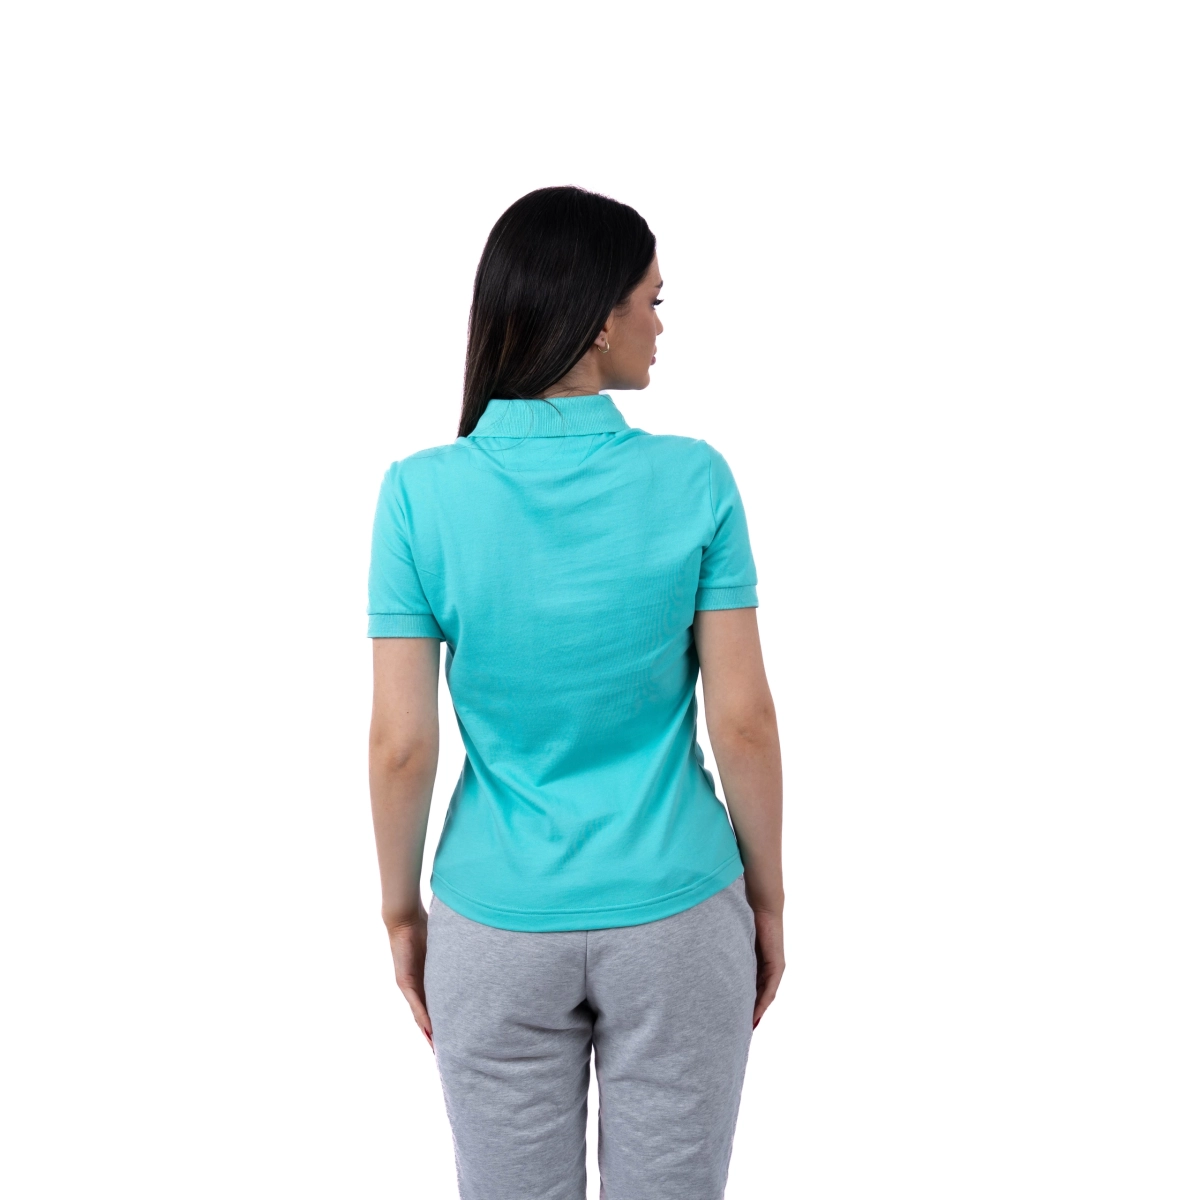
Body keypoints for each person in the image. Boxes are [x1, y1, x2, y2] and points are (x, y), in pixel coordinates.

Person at [366, 186, 784, 1200]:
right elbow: (743, 723)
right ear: (600, 319)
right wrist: (768, 899)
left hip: (494, 923)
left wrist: (401, 914)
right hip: (679, 914)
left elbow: (402, 745)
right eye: (652, 300)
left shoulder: (419, 493)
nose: (660, 325)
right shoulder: (696, 481)